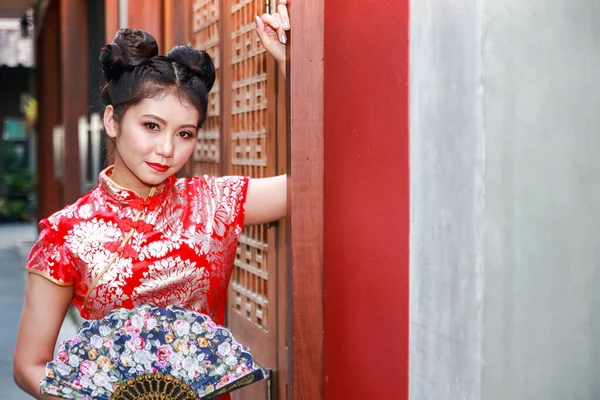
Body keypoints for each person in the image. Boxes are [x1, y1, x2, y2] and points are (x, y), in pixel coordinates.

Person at [13, 3, 291, 399]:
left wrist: (292, 66)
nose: (167, 149)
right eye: (151, 126)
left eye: (185, 134)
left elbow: (312, 187)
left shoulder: (215, 203)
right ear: (112, 121)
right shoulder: (66, 232)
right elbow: (29, 366)